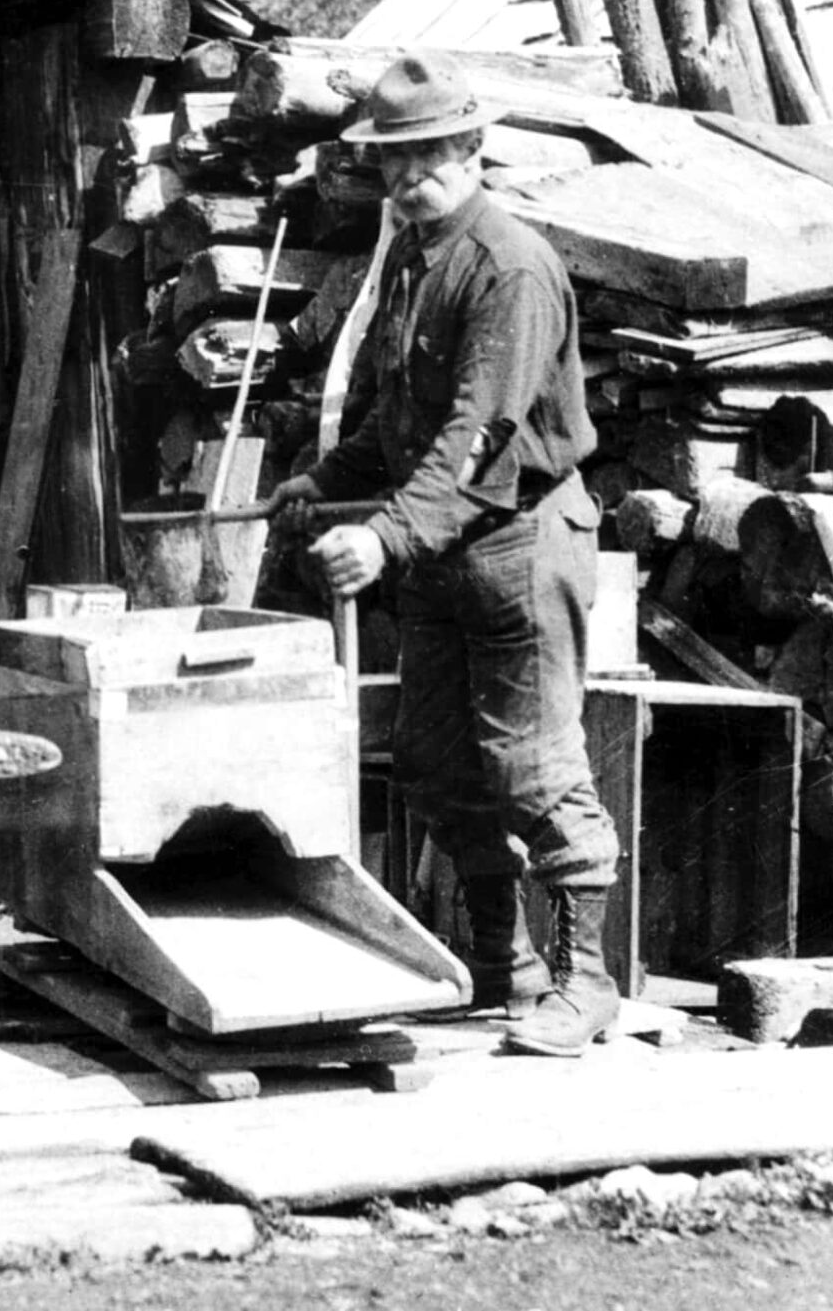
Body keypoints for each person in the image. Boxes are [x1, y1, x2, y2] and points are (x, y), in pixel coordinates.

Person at [266, 53, 622, 1058]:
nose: (411, 176)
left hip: (517, 541)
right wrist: (324, 473)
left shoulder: (508, 265)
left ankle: (587, 984)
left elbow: (476, 433)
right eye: (393, 161)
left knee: (533, 766)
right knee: (434, 761)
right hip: (441, 552)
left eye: (429, 155)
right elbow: (399, 410)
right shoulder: (416, 254)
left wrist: (379, 536)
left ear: (472, 148)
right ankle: (508, 968)